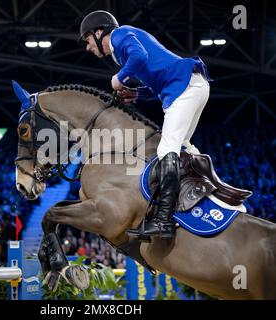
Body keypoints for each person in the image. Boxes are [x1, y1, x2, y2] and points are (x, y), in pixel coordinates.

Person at [79, 10, 211, 239]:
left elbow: (139, 56)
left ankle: (163, 220)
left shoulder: (119, 35)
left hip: (185, 87)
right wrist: (137, 94)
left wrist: (119, 78)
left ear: (99, 32)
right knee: (183, 148)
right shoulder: (122, 49)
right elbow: (157, 78)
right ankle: (211, 195)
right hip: (192, 85)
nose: (87, 47)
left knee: (166, 149)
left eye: (88, 40)